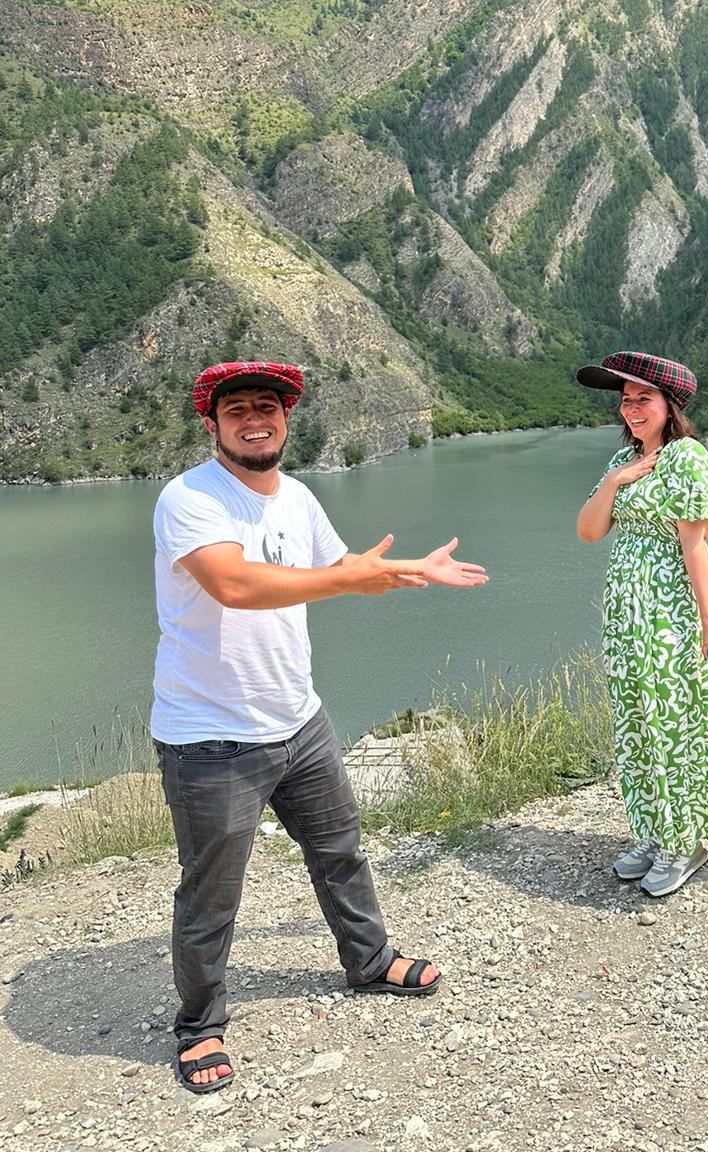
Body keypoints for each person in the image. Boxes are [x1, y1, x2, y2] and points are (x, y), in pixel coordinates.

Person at [151, 360, 488, 1093]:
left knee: (340, 852)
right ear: (211, 424)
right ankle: (200, 1026)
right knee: (212, 892)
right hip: (210, 736)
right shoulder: (190, 497)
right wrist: (352, 578)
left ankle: (369, 961)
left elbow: (344, 568)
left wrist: (411, 569)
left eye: (266, 407)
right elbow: (234, 584)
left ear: (286, 419)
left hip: (298, 719)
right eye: (237, 409)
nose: (254, 419)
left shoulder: (297, 497)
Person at [575, 351, 708, 897]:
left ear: (670, 405)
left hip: (668, 615)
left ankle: (685, 843)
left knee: (672, 724)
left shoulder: (688, 459)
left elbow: (696, 546)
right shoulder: (621, 461)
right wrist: (617, 480)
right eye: (626, 400)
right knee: (637, 724)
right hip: (626, 619)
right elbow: (588, 531)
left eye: (643, 399)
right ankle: (652, 833)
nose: (632, 409)